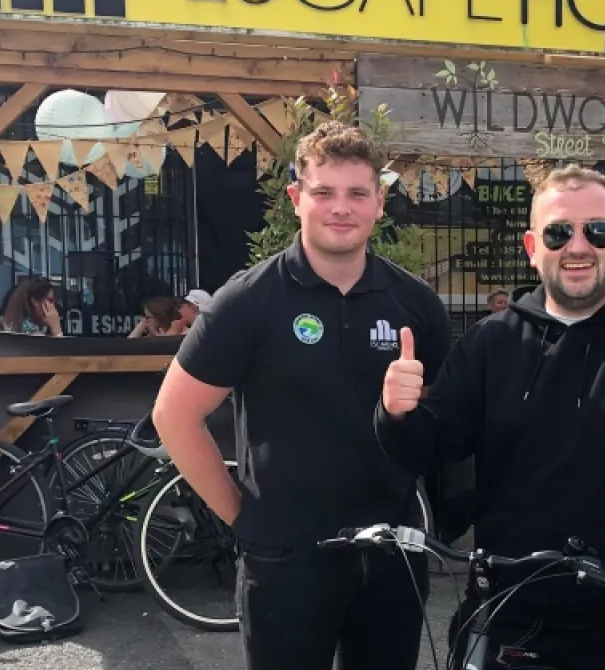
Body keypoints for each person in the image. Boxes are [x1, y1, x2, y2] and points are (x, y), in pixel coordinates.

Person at [375, 163, 605, 670]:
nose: (577, 246)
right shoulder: (490, 343)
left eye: (596, 231)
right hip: (512, 617)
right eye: (557, 232)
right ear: (531, 246)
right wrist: (395, 413)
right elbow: (428, 449)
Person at [150, 120, 451, 670]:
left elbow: (441, 429)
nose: (342, 208)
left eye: (357, 193)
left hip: (391, 557)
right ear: (296, 198)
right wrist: (241, 519)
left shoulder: (417, 306)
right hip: (285, 562)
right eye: (324, 193)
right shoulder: (245, 302)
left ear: (379, 203)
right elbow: (174, 415)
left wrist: (410, 412)